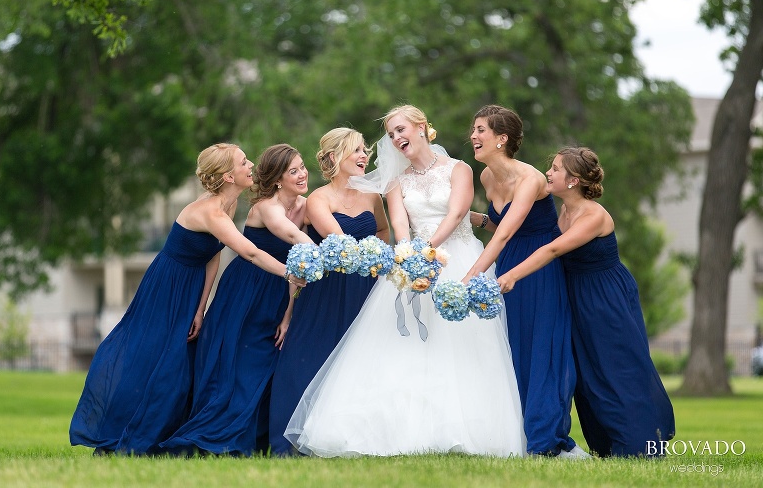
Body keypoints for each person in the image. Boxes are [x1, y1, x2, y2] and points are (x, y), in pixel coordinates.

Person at [284, 105, 526, 458]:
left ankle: (469, 430)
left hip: (458, 256)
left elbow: (458, 212)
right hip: (414, 262)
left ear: (422, 127)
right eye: (391, 134)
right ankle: (405, 429)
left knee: (465, 343)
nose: (396, 138)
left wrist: (425, 251)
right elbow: (398, 225)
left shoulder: (459, 169)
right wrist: (410, 257)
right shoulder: (395, 182)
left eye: (401, 129)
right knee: (408, 345)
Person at [69, 143, 306, 456]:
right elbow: (249, 251)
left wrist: (201, 307)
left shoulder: (229, 204)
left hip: (192, 285)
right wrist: (290, 274)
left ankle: (166, 432)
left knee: (184, 365)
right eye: (243, 162)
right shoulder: (210, 211)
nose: (251, 165)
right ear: (228, 176)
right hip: (168, 284)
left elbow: (212, 256)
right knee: (156, 359)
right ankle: (121, 433)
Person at [497, 146, 676, 457]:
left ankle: (641, 446)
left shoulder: (593, 215)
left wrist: (512, 275)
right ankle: (607, 445)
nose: (548, 174)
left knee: (617, 367)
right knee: (588, 374)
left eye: (554, 169)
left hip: (606, 297)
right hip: (574, 295)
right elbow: (530, 235)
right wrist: (477, 221)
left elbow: (551, 251)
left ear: (573, 180)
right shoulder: (561, 211)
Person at [160, 144, 313, 457]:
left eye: (302, 167)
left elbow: (300, 265)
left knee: (268, 363)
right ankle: (219, 434)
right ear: (279, 179)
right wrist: (331, 255)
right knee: (236, 361)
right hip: (248, 290)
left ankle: (258, 437)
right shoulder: (264, 208)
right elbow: (280, 248)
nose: (302, 174)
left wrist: (288, 313)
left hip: (279, 289)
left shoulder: (305, 206)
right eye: (293, 170)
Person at [463, 105, 583, 458]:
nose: (473, 135)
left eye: (481, 130)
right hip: (508, 263)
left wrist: (471, 275)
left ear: (502, 139)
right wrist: (472, 220)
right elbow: (499, 230)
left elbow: (506, 235)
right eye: (474, 129)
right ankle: (513, 430)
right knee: (511, 345)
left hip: (538, 266)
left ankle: (544, 440)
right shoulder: (485, 177)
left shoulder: (530, 179)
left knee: (540, 347)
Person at [269, 127, 390, 456]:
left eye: (365, 150)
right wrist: (368, 256)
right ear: (335, 157)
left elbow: (381, 230)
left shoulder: (372, 197)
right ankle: (290, 440)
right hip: (327, 289)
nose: (365, 156)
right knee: (310, 355)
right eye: (357, 150)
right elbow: (339, 241)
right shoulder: (318, 200)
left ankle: (353, 436)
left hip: (365, 287)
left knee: (359, 359)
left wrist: (380, 258)